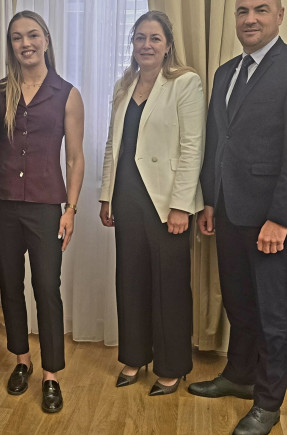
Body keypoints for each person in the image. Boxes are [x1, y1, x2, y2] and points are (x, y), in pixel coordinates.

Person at [190, 1, 287, 433]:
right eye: (242, 10)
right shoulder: (225, 72)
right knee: (238, 303)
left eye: (261, 9)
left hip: (269, 218)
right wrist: (210, 200)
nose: (250, 19)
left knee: (271, 313)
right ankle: (238, 376)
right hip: (228, 210)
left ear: (280, 15)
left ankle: (268, 403)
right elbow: (218, 141)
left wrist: (281, 218)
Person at [99, 11, 205, 396]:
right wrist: (106, 195)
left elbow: (193, 147)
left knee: (169, 287)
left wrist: (182, 205)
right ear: (132, 44)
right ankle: (134, 356)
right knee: (130, 281)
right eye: (140, 38)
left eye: (155, 38)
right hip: (126, 198)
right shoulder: (123, 85)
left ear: (167, 45)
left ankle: (172, 366)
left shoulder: (185, 83)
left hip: (166, 203)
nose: (146, 45)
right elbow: (113, 145)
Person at [0, 10, 84, 414]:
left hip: (46, 208)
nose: (25, 43)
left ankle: (51, 374)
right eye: (16, 37)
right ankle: (22, 361)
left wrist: (70, 209)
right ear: (10, 45)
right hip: (2, 207)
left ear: (45, 39)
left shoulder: (67, 93)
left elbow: (75, 158)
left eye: (31, 35)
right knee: (10, 287)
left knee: (46, 288)